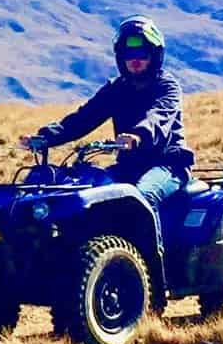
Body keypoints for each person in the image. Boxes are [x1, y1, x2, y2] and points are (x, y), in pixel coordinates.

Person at [20, 17, 193, 208]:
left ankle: (148, 239)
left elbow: (159, 116)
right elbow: (83, 118)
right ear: (120, 57)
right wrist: (44, 138)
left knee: (141, 199)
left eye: (142, 53)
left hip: (167, 166)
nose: (135, 60)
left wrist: (137, 135)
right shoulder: (116, 88)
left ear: (154, 55)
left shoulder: (167, 86)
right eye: (128, 54)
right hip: (128, 166)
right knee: (89, 190)